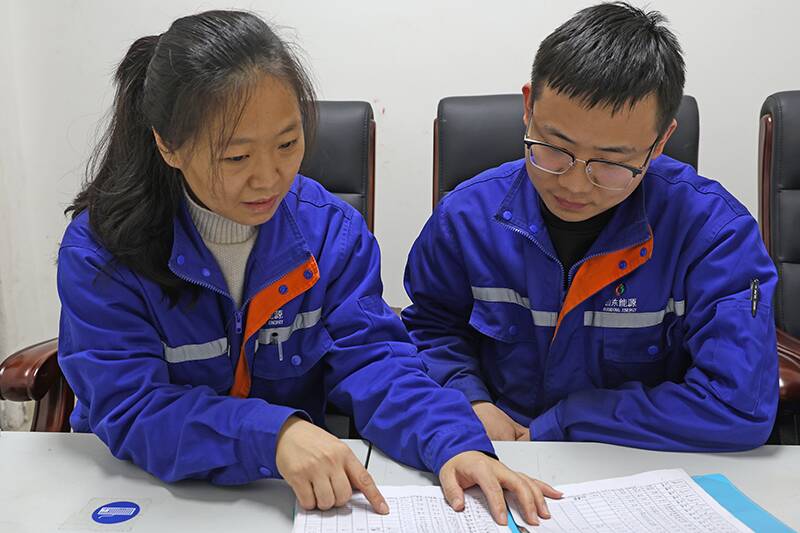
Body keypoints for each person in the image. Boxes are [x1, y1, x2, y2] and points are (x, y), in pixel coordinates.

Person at [57, 10, 558, 525]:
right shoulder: (104, 251)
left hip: (281, 500)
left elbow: (374, 361)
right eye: (235, 158)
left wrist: (454, 444)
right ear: (168, 145)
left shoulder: (329, 233)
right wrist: (272, 435)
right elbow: (132, 407)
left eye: (288, 144)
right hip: (141, 494)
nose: (269, 178)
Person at [403, 2, 778, 451]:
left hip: (630, 460)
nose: (574, 185)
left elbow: (738, 405)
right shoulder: (466, 218)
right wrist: (470, 400)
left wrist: (567, 423)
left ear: (660, 142)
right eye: (554, 148)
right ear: (528, 107)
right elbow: (430, 329)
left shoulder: (714, 236)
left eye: (612, 163)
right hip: (495, 450)